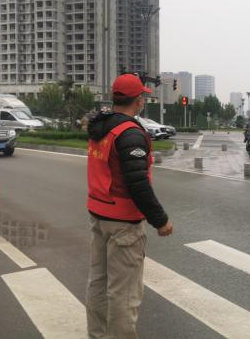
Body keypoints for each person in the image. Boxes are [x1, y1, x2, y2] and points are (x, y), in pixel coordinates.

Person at [85, 73, 173, 339]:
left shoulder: (101, 127)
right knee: (124, 293)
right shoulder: (130, 133)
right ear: (138, 100)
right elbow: (138, 184)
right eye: (142, 96)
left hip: (99, 215)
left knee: (98, 282)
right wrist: (160, 220)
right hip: (123, 223)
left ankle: (98, 335)